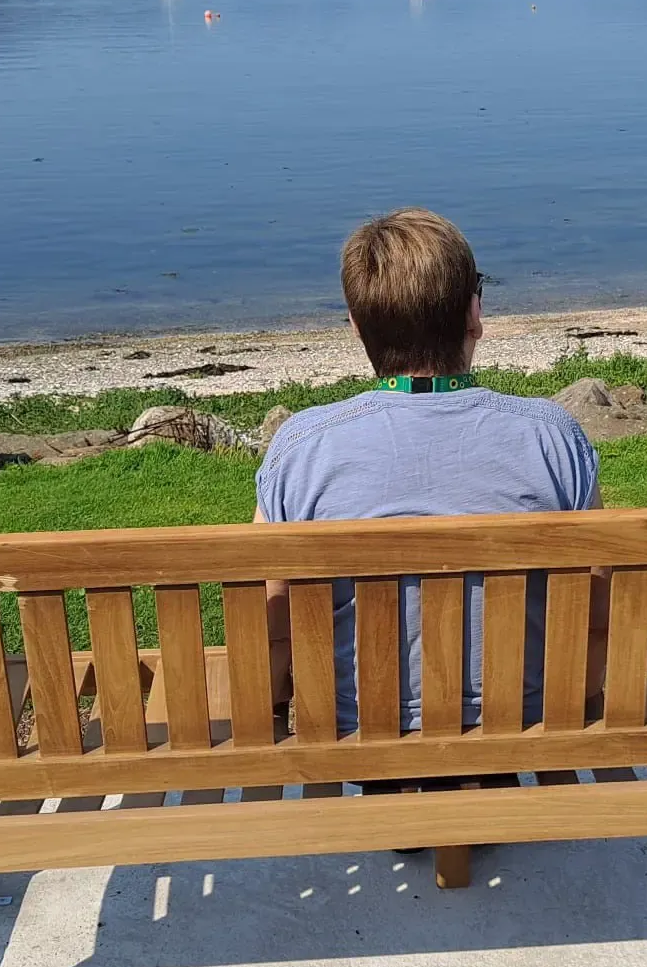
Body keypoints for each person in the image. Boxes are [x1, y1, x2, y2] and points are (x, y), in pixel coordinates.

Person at [254, 208, 609, 733]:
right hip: (526, 724)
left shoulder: (303, 446)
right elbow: (597, 619)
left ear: (357, 326)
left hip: (352, 727)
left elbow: (273, 627)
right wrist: (578, 697)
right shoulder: (551, 438)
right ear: (474, 314)